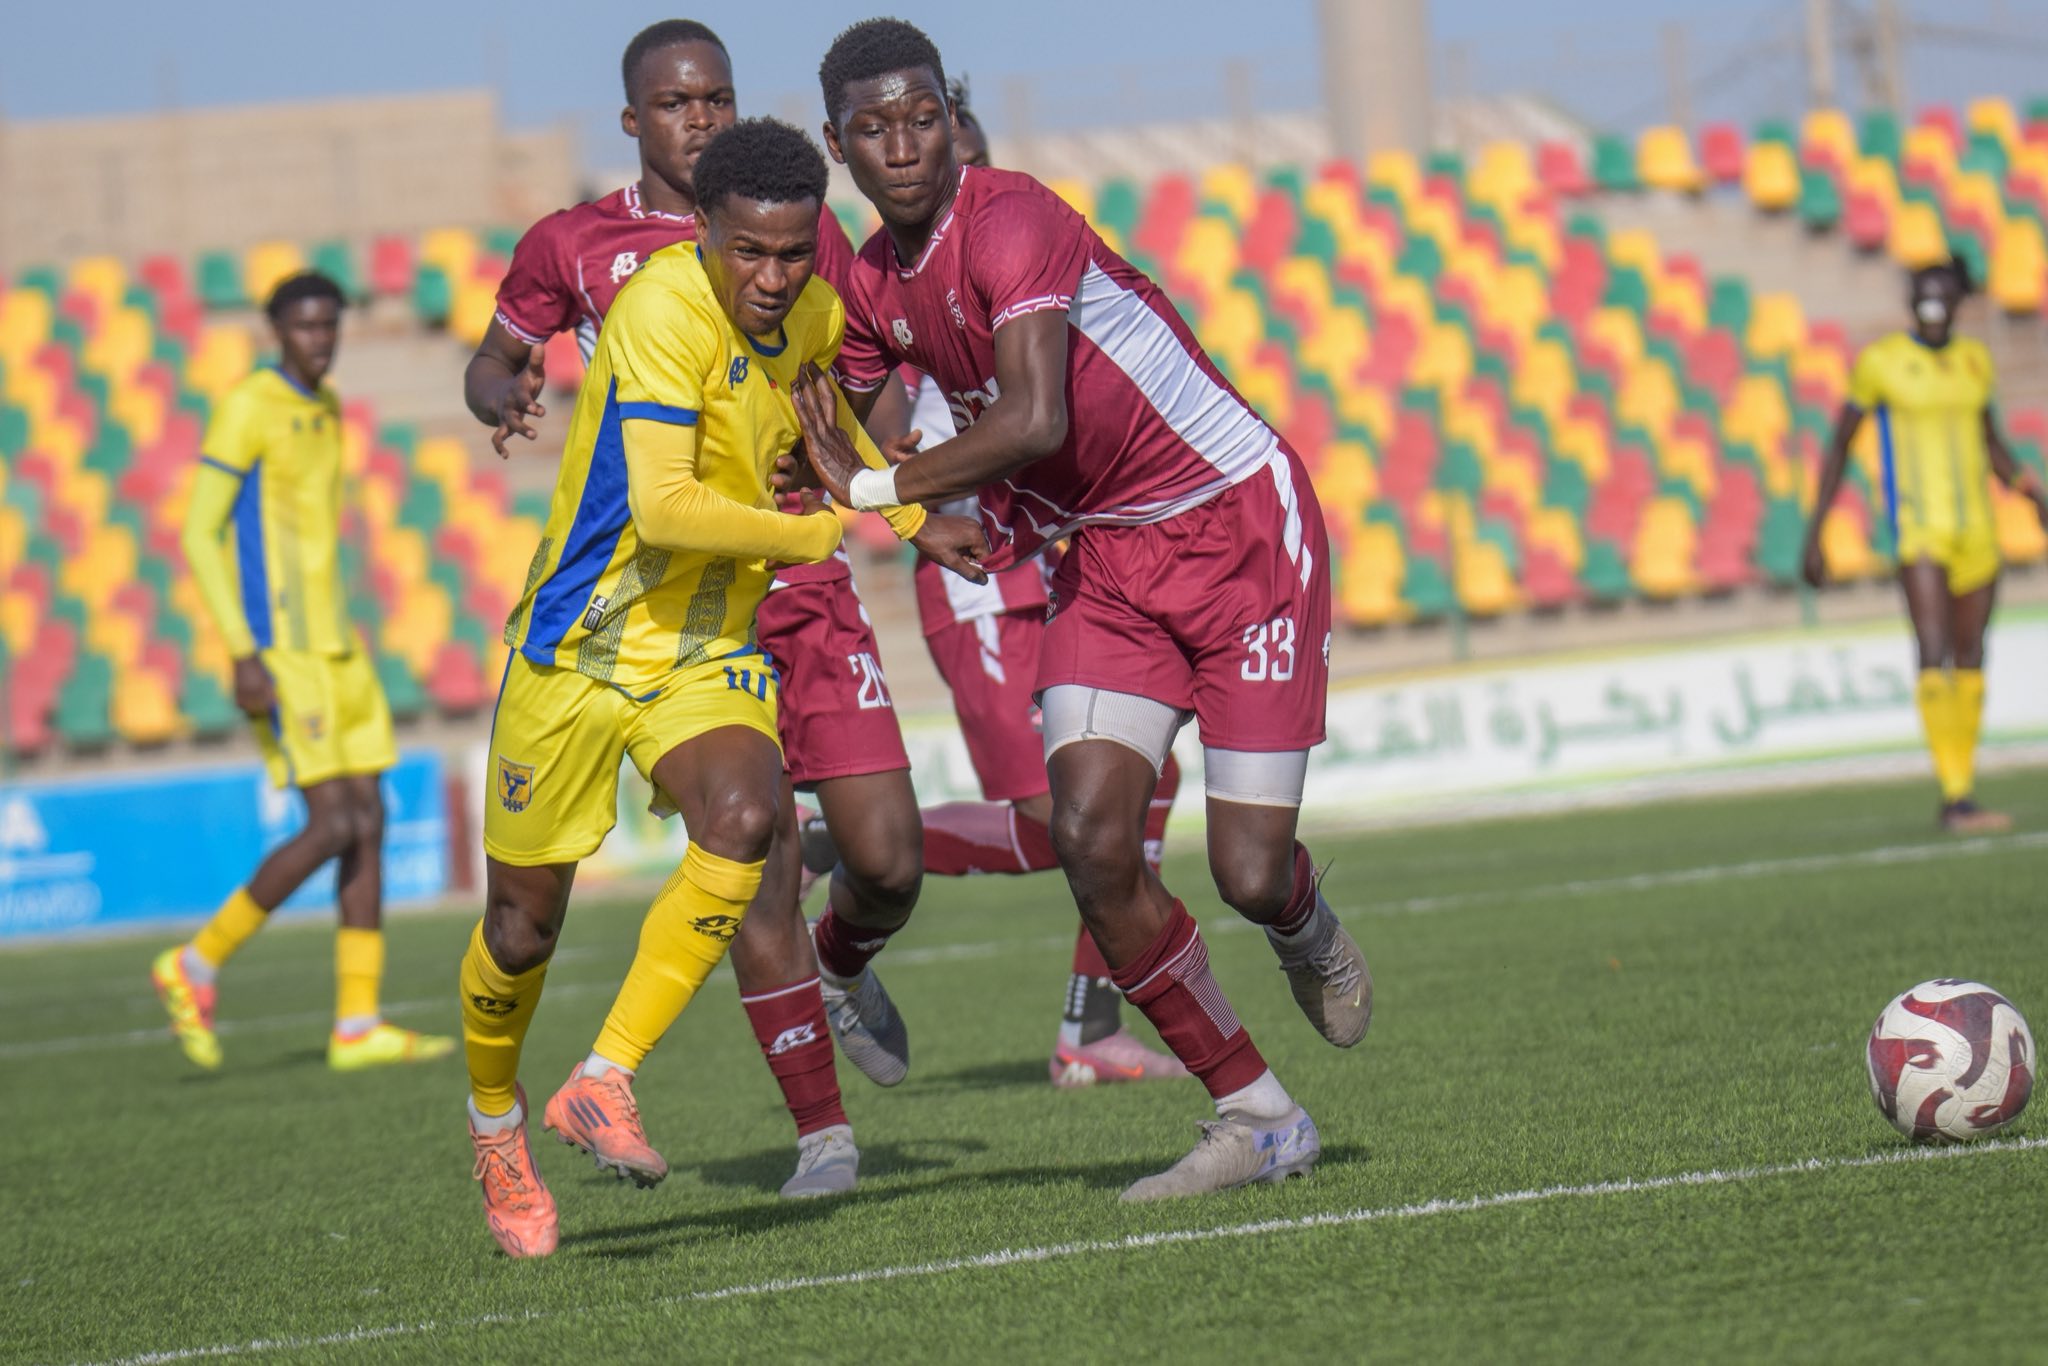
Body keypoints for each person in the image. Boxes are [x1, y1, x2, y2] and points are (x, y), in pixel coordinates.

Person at [798, 19, 1370, 1201]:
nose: (903, 145)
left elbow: (1032, 419)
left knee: (1248, 871)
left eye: (922, 118)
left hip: (1234, 525)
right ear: (835, 143)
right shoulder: (865, 286)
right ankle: (1257, 1115)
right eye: (873, 127)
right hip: (1104, 562)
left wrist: (874, 490)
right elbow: (839, 418)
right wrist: (861, 485)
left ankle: (1301, 919)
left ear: (950, 120)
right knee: (1089, 838)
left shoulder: (1011, 218)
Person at [457, 116, 986, 1259]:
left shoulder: (812, 314)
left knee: (747, 818)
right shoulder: (657, 312)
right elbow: (662, 509)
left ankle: (603, 1078)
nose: (773, 278)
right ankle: (495, 1124)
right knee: (520, 928)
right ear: (700, 229)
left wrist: (910, 517)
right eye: (748, 250)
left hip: (702, 645)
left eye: (792, 253)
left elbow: (830, 433)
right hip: (579, 645)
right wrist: (815, 534)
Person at [811, 84, 1184, 1089]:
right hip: (978, 577)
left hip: (1051, 562)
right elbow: (878, 423)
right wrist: (898, 465)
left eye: (964, 157)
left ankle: (1089, 1029)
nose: (950, 179)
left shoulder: (1013, 257)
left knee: (1143, 786)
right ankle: (847, 849)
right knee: (1051, 820)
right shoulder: (891, 290)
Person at [154, 272, 456, 1074]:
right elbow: (198, 531)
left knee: (370, 820)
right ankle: (195, 962)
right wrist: (241, 649)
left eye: (330, 325)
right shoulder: (249, 406)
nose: (320, 339)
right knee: (331, 825)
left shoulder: (325, 407)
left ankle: (357, 1024)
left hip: (339, 647)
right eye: (305, 326)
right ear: (277, 331)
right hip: (281, 650)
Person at [1804, 257, 2048, 832]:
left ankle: (1964, 785)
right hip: (1919, 527)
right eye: (1924, 297)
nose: (1933, 307)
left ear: (1959, 303)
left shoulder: (1974, 361)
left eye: (1943, 297)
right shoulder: (1882, 363)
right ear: (1911, 303)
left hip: (1977, 528)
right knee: (1933, 648)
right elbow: (1840, 444)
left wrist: (2030, 491)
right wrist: (1817, 530)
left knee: (1972, 653)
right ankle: (1954, 794)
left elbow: (1991, 441)